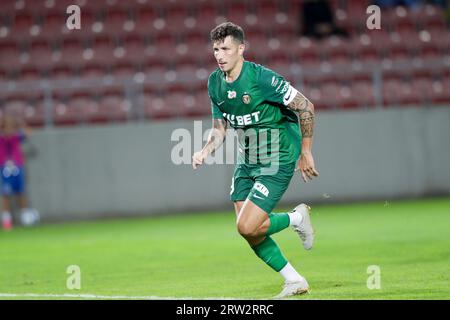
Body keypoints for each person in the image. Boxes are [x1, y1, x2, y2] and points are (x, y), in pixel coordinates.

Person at [192, 22, 319, 298]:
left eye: (225, 48)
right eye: (215, 49)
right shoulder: (215, 82)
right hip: (248, 159)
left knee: (246, 225)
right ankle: (294, 280)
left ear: (241, 48)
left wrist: (306, 151)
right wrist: (204, 150)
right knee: (249, 230)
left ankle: (296, 217)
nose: (219, 55)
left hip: (278, 157)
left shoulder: (262, 79)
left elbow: (305, 106)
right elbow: (220, 128)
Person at [0, 115, 37, 230]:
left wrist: (21, 124)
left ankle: (26, 217)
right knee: (5, 194)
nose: (9, 130)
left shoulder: (17, 137)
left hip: (17, 166)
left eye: (11, 127)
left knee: (21, 192)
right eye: (6, 127)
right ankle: (6, 220)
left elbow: (30, 132)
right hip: (4, 167)